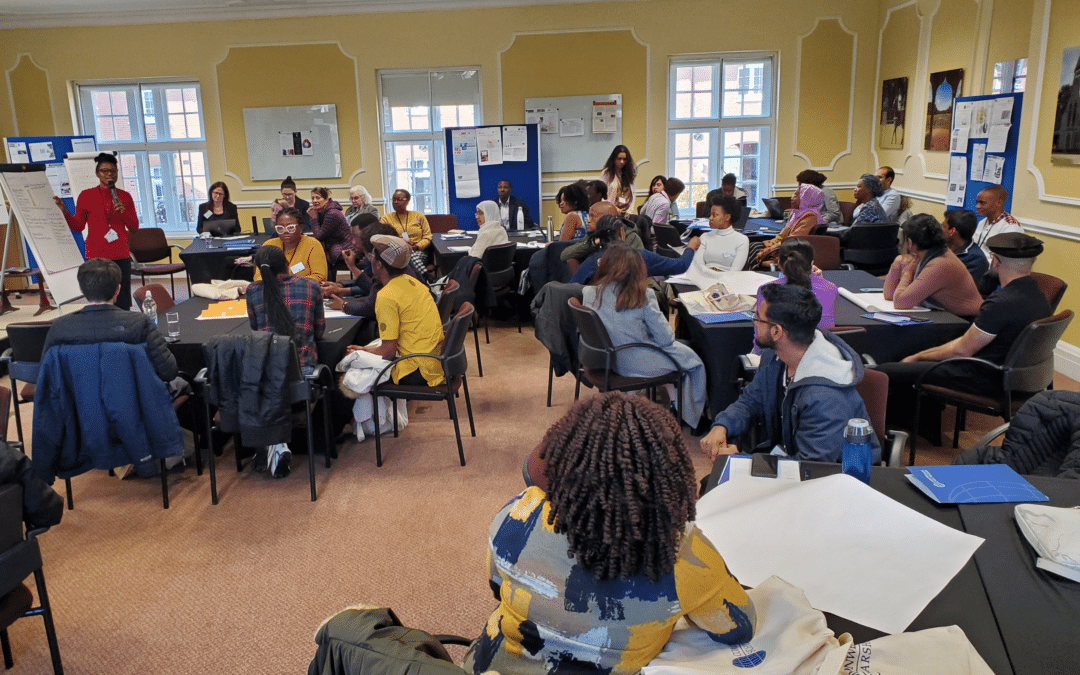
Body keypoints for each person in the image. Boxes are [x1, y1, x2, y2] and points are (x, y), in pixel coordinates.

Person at [465, 392, 755, 675]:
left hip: (491, 663)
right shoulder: (683, 557)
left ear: (565, 460)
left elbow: (496, 585)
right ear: (670, 479)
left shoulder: (518, 515)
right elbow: (739, 625)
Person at [876, 232, 1053, 441]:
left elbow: (962, 350)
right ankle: (923, 428)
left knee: (885, 371)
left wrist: (917, 357)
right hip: (1015, 375)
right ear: (1031, 262)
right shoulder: (1040, 297)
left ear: (995, 262)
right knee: (914, 358)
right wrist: (923, 355)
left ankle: (893, 433)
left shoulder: (1001, 303)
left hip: (982, 375)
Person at [701, 283, 881, 463]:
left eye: (757, 318)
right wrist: (722, 426)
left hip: (832, 479)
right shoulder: (774, 356)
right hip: (787, 460)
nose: (754, 322)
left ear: (777, 331)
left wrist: (744, 461)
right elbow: (751, 400)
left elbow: (809, 467)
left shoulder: (825, 398)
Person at [582, 243, 707, 427]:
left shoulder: (589, 293)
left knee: (676, 361)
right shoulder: (644, 296)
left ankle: (676, 407)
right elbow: (666, 339)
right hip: (636, 359)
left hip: (605, 360)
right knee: (695, 363)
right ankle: (693, 418)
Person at [245, 245, 324, 477]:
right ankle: (277, 446)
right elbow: (319, 331)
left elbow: (255, 329)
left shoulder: (252, 291)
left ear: (259, 269)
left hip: (264, 375)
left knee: (272, 390)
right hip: (303, 375)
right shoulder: (311, 286)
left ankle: (272, 444)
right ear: (287, 264)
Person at [42, 258, 177, 383]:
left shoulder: (59, 327)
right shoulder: (141, 323)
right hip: (133, 403)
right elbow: (169, 372)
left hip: (77, 405)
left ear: (82, 289)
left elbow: (46, 375)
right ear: (118, 290)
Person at [53, 152, 139, 310]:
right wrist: (64, 211)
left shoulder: (125, 197)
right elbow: (78, 226)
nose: (109, 174)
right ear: (97, 173)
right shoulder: (86, 196)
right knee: (99, 299)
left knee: (122, 300)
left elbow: (134, 227)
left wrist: (123, 212)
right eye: (104, 171)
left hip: (120, 255)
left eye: (113, 171)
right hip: (96, 257)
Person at [356, 235, 444, 387]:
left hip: (415, 369)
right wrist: (365, 349)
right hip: (433, 362)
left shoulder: (386, 296)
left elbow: (388, 352)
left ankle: (378, 412)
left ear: (378, 265)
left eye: (372, 256)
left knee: (354, 373)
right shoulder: (414, 283)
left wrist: (360, 353)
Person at [883, 214, 983, 318]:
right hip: (950, 317)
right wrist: (897, 263)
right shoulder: (929, 255)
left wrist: (907, 272)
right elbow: (889, 295)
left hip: (967, 321)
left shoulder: (939, 264)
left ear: (910, 243)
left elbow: (900, 302)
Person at [323, 221, 426, 318]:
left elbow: (369, 308)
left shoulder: (384, 272)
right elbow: (374, 288)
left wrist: (343, 305)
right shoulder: (400, 263)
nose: (354, 242)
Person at [571, 215, 699, 284]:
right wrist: (690, 248)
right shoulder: (639, 257)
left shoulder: (593, 260)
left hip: (598, 324)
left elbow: (571, 287)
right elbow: (680, 265)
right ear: (622, 233)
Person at [755, 237, 838, 330]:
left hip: (781, 343)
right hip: (822, 343)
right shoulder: (831, 288)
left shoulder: (765, 291)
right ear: (812, 263)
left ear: (779, 264)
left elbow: (763, 332)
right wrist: (821, 281)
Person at [750, 182, 824, 269]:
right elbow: (782, 235)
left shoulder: (810, 216)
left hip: (791, 252)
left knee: (754, 250)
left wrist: (768, 250)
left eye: (796, 195)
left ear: (806, 199)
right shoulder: (796, 213)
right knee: (753, 245)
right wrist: (770, 245)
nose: (792, 197)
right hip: (782, 247)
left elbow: (791, 240)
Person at [254, 207, 327, 282]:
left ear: (301, 227)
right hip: (274, 290)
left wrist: (290, 285)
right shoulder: (269, 245)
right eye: (280, 228)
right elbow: (258, 277)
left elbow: (320, 276)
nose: (285, 231)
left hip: (303, 290)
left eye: (290, 227)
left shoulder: (312, 244)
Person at [689, 194, 749, 275]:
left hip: (727, 282)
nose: (710, 218)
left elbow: (735, 271)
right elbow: (698, 264)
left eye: (715, 215)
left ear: (727, 217)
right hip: (703, 278)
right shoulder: (705, 237)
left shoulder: (742, 240)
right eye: (710, 214)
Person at [380, 188, 433, 273]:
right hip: (397, 252)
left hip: (418, 251)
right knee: (407, 256)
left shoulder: (418, 216)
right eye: (394, 199)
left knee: (410, 256)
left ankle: (423, 279)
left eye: (399, 199)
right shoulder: (386, 218)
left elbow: (427, 237)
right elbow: (383, 237)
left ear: (408, 201)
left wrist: (417, 246)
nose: (396, 202)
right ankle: (427, 278)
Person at [307, 187, 356, 267]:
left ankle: (323, 278)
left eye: (318, 198)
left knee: (317, 257)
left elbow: (319, 236)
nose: (314, 201)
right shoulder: (322, 211)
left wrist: (314, 218)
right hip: (334, 246)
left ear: (326, 198)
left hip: (344, 248)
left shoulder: (332, 213)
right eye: (313, 198)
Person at [972, 184, 1023, 261]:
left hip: (994, 270)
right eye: (977, 202)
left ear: (998, 203)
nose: (977, 206)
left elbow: (1005, 261)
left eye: (982, 203)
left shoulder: (1011, 227)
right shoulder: (982, 222)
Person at [942, 208, 990, 289]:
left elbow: (951, 288)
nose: (940, 229)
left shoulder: (976, 259)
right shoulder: (943, 247)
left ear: (952, 231)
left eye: (943, 226)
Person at [600, 144, 636, 214]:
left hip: (626, 211)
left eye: (624, 159)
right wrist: (614, 208)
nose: (622, 162)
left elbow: (633, 194)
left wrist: (630, 211)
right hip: (611, 211)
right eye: (619, 159)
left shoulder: (629, 172)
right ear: (614, 159)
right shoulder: (606, 173)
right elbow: (602, 195)